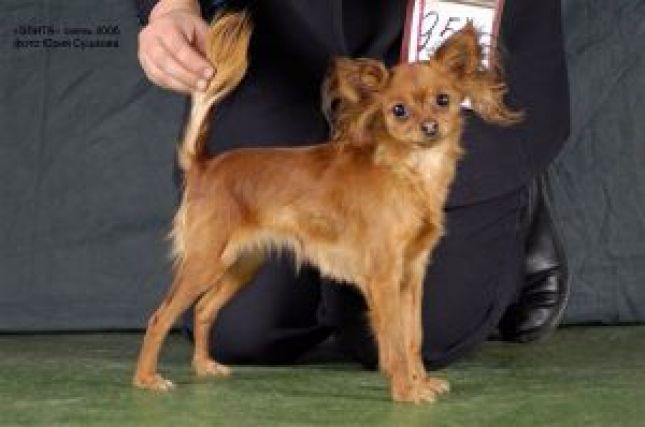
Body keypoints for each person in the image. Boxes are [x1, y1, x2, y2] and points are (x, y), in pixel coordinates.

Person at [135, 0, 570, 368]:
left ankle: (521, 202)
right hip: (280, 41)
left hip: (441, 22)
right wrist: (172, 7)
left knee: (421, 338)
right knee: (243, 336)